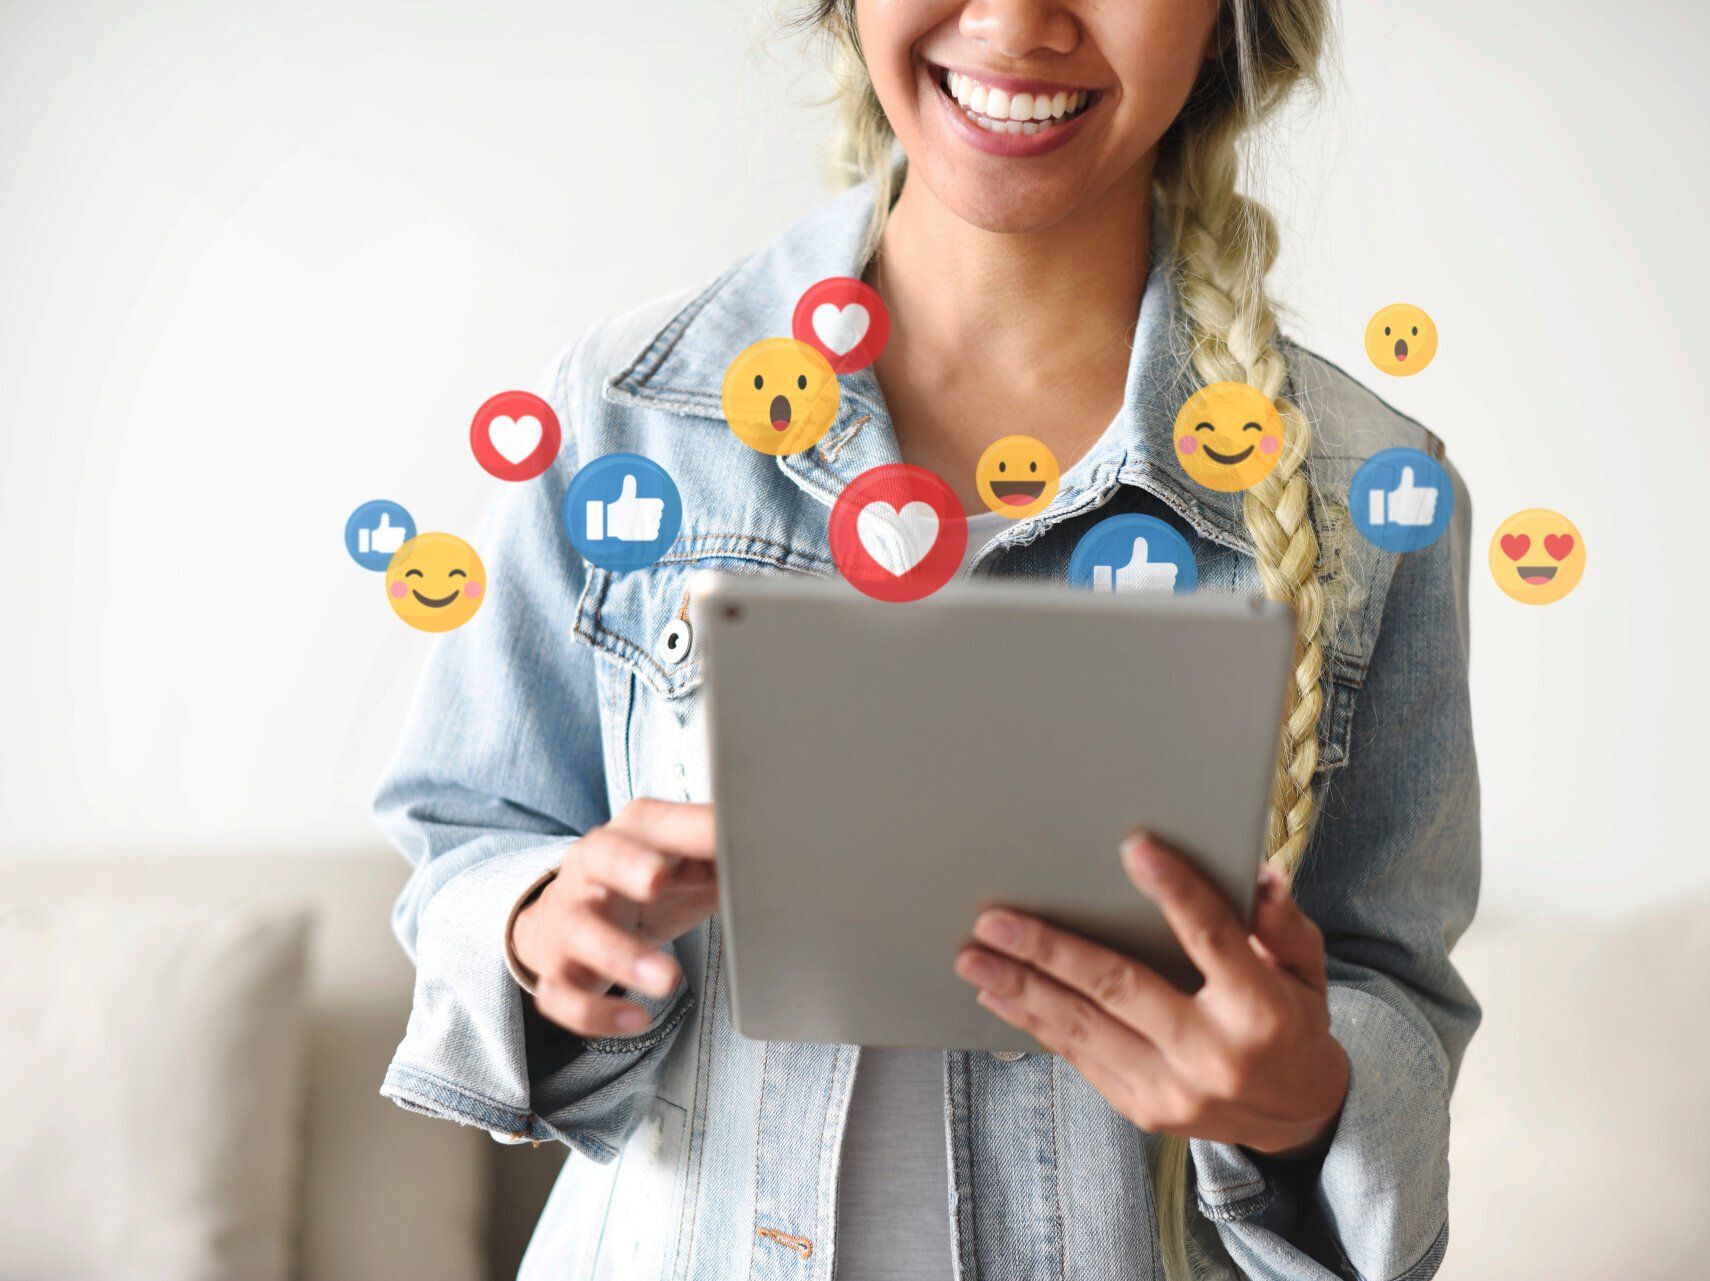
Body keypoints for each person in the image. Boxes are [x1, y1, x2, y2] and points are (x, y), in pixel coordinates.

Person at [375, 1, 1480, 1277]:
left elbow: (1393, 998)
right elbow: (462, 837)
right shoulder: (621, 417)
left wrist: (1299, 1105)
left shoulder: (1370, 494)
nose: (1015, 20)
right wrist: (537, 933)